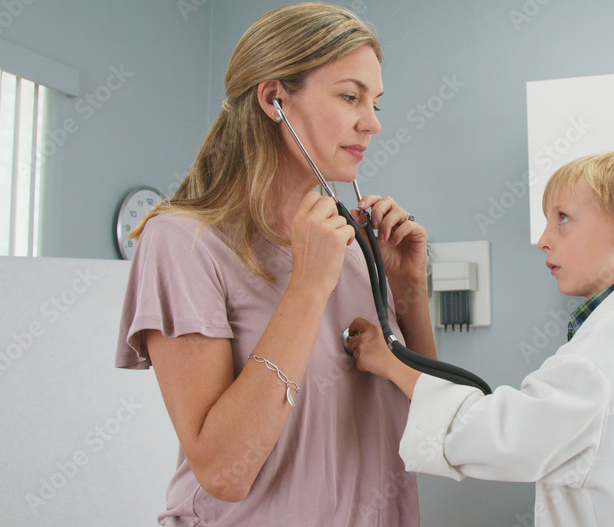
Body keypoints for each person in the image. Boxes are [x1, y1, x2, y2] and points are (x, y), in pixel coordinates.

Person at [115, 4, 431, 526]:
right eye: (350, 96)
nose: (372, 123)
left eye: (375, 102)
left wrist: (408, 290)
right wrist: (306, 288)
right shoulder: (183, 243)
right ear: (273, 99)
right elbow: (223, 473)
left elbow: (431, 422)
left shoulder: (351, 244)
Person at [346, 151, 614, 526]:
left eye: (563, 218)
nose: (542, 240)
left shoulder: (607, 354)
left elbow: (493, 436)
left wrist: (391, 364)